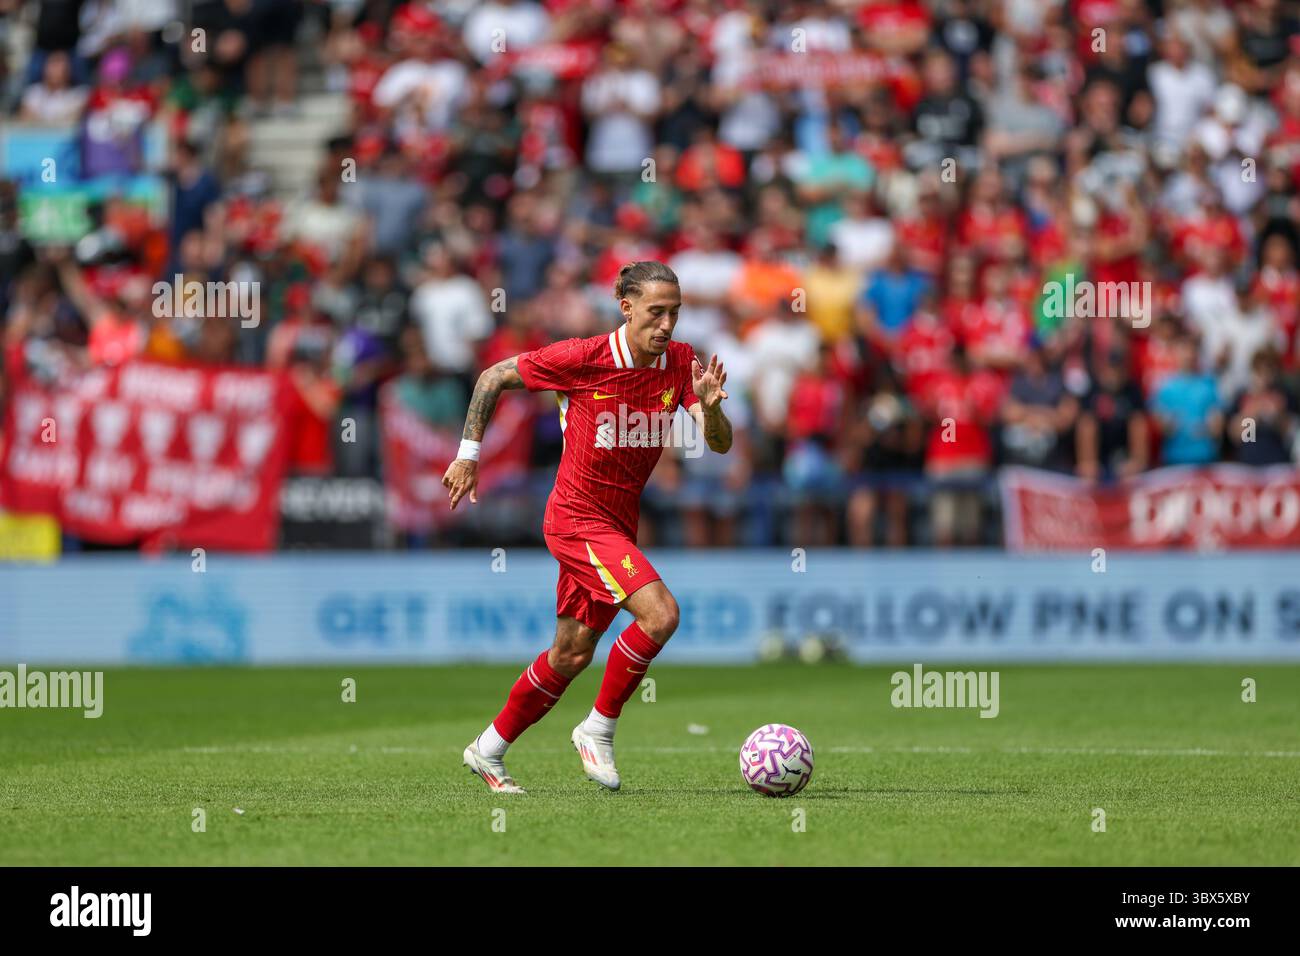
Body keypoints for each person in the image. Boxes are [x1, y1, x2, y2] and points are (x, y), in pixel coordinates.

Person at [443, 261, 734, 793]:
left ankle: (487, 748)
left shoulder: (682, 362)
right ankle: (597, 728)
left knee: (572, 652)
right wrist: (468, 456)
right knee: (661, 614)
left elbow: (718, 442)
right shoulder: (583, 357)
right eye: (656, 312)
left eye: (675, 312)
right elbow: (492, 377)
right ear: (626, 308)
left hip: (619, 526)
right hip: (576, 518)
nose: (667, 325)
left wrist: (711, 411)